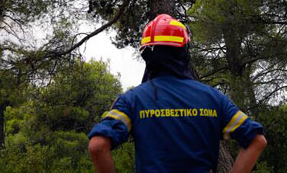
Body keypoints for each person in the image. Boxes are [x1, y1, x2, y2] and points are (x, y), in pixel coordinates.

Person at [88, 14, 267, 173]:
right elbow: (257, 140)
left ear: (147, 53)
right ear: (184, 51)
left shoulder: (132, 101)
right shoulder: (213, 98)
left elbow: (97, 146)